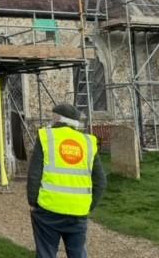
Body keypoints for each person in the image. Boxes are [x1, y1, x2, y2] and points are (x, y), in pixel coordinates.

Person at [27, 103, 107, 258]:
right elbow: (101, 181)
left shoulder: (46, 137)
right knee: (78, 254)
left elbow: (34, 174)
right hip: (78, 212)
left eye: (53, 117)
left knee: (46, 254)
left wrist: (33, 202)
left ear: (57, 118)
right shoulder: (88, 142)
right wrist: (88, 206)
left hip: (48, 209)